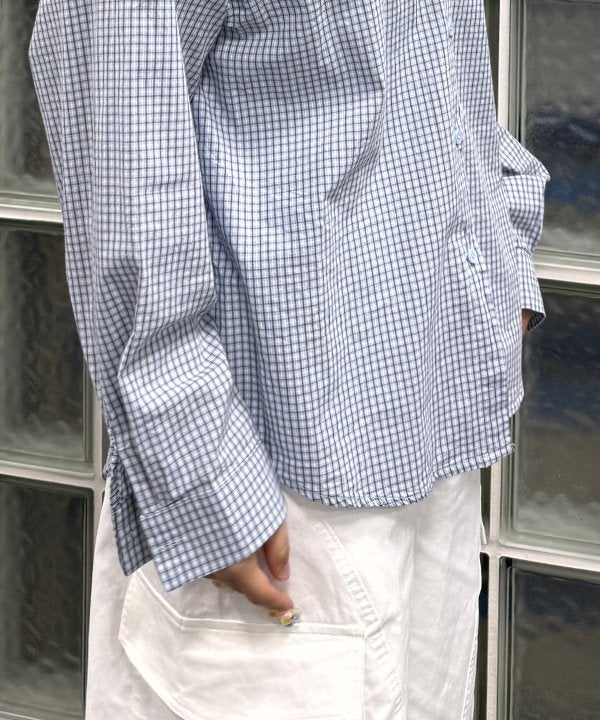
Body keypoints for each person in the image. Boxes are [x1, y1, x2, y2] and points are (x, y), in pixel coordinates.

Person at [28, 0, 549, 717]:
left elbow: (428, 57)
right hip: (278, 479)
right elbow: (120, 133)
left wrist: (502, 246)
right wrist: (199, 477)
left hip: (441, 434)